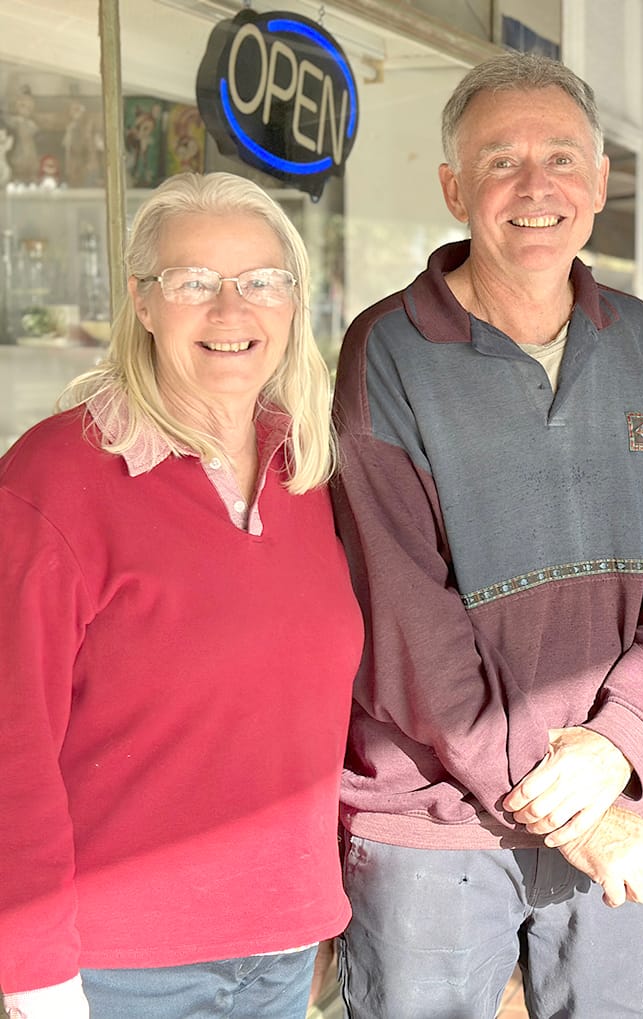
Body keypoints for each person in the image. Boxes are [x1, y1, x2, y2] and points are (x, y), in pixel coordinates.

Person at [330, 51, 643, 1018]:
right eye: (500, 160)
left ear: (599, 183)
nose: (534, 185)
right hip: (433, 827)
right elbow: (405, 619)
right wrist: (568, 803)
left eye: (561, 157)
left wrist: (618, 746)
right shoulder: (385, 351)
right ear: (453, 188)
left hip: (606, 789)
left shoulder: (638, 340)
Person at [0, 172, 363, 1019]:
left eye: (261, 281)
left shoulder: (305, 469)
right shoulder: (54, 481)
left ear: (294, 300)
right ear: (143, 302)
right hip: (118, 967)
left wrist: (312, 904)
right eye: (195, 282)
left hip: (278, 946)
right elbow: (9, 742)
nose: (232, 311)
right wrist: (33, 965)